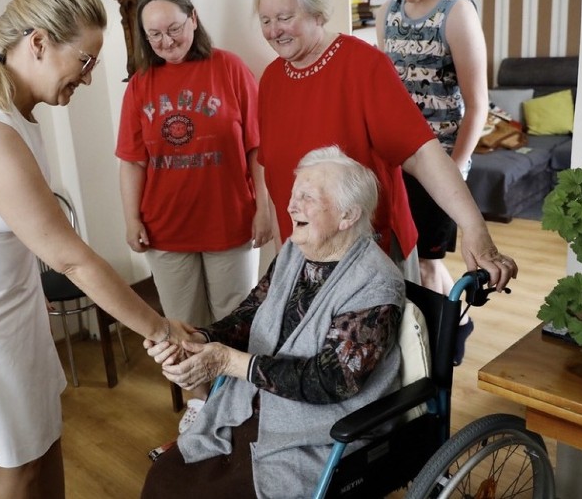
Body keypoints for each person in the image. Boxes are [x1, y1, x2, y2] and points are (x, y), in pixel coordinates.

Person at [0, 0, 192, 499]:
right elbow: (70, 259)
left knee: (42, 436)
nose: (88, 76)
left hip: (9, 299)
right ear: (37, 42)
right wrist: (161, 329)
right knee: (16, 463)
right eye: (84, 60)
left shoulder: (14, 102)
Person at [140, 146, 406, 499]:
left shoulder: (375, 284)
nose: (291, 206)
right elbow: (251, 313)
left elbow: (331, 381)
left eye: (307, 198)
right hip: (255, 408)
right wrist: (199, 338)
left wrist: (230, 363)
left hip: (315, 433)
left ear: (348, 215)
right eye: (293, 195)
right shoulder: (295, 253)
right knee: (164, 478)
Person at [253, 0, 516, 295]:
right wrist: (284, 260)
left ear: (317, 12)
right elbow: (275, 176)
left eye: (285, 17)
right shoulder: (272, 80)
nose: (275, 30)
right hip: (304, 255)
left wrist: (474, 228)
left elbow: (421, 153)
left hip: (368, 255)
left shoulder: (363, 65)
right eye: (266, 20)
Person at [116, 0, 272, 426]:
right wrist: (131, 219)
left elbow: (259, 149)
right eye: (155, 35)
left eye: (174, 28)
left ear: (194, 19)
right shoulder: (141, 86)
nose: (167, 41)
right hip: (166, 228)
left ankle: (241, 407)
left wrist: (265, 207)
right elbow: (131, 162)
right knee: (180, 326)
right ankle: (199, 407)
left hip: (230, 221)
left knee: (235, 320)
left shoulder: (230, 69)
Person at [376, 0, 488, 364]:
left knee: (426, 263)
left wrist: (456, 168)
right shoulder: (389, 13)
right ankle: (437, 336)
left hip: (440, 162)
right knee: (406, 259)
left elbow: (477, 104)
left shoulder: (456, 13)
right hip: (396, 161)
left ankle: (449, 335)